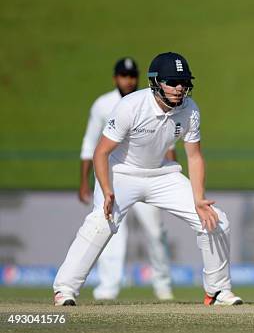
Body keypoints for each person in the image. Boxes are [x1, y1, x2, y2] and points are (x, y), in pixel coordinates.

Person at [54, 52, 242, 306]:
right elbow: (101, 152)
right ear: (155, 82)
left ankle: (217, 291)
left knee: (217, 220)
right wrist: (107, 190)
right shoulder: (131, 107)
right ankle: (65, 290)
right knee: (101, 221)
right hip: (121, 173)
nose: (179, 88)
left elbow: (194, 157)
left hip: (162, 174)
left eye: (183, 82)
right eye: (172, 82)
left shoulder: (190, 110)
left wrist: (198, 199)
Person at [79, 57, 174, 301]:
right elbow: (91, 143)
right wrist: (84, 181)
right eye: (124, 76)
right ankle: (108, 288)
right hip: (115, 175)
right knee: (110, 230)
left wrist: (171, 170)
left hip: (148, 171)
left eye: (132, 76)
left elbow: (167, 137)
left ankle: (162, 285)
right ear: (115, 78)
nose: (128, 81)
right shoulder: (102, 105)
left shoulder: (150, 100)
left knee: (155, 231)